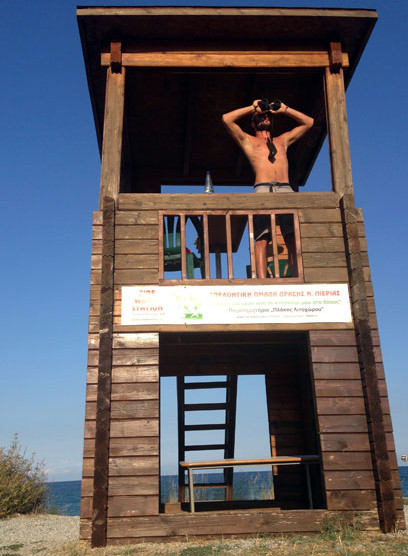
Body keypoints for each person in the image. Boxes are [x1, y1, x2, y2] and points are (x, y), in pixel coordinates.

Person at [222, 99, 314, 278]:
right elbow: (226, 119)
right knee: (262, 239)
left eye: (267, 116)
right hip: (263, 189)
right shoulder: (249, 141)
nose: (265, 117)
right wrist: (252, 108)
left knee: (291, 239)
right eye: (261, 116)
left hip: (286, 189)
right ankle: (262, 281)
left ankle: (296, 277)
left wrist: (284, 109)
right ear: (252, 122)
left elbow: (309, 122)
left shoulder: (282, 140)